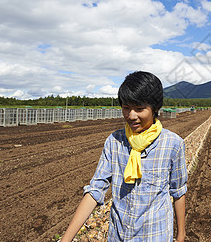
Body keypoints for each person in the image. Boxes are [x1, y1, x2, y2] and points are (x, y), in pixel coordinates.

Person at [61, 71, 187, 242]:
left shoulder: (173, 144)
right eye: (126, 108)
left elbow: (178, 191)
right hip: (118, 236)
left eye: (139, 108)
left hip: (155, 235)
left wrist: (181, 236)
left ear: (155, 108)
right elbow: (96, 189)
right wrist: (66, 239)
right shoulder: (115, 142)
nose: (131, 115)